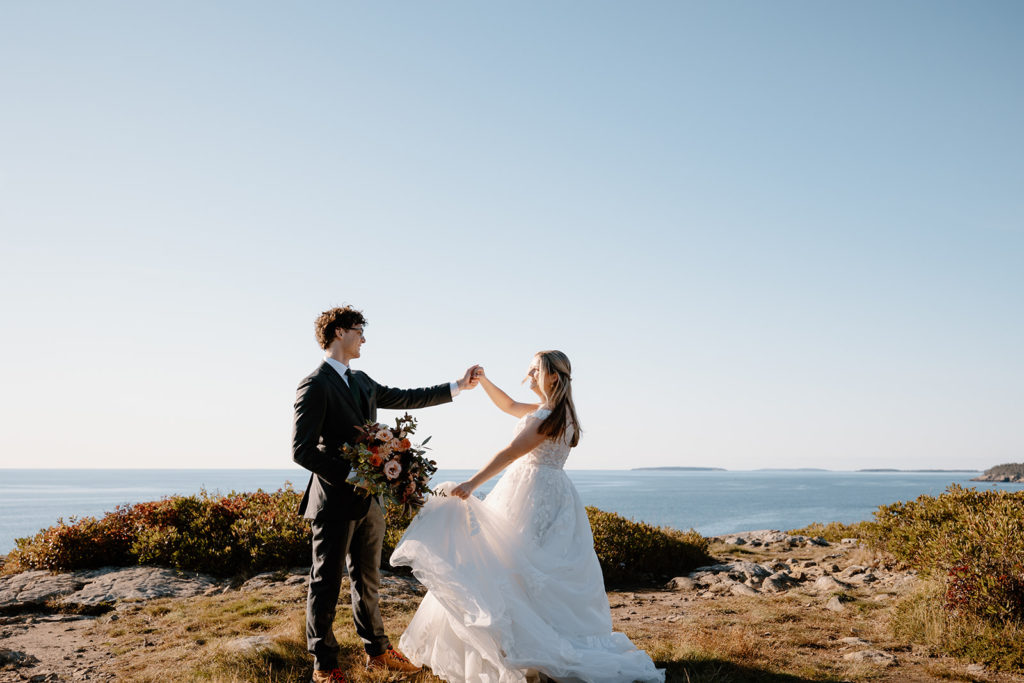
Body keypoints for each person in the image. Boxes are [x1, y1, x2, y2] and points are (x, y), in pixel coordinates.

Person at [392, 350, 665, 683]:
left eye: (536, 369)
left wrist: (471, 483)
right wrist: (484, 381)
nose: (529, 373)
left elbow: (511, 452)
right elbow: (508, 406)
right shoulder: (549, 411)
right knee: (516, 565)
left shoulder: (550, 415)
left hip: (533, 495)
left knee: (514, 564)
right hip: (545, 492)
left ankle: (526, 647)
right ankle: (520, 642)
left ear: (553, 376)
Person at [291, 305, 480, 683]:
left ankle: (377, 652)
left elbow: (406, 397)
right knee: (326, 582)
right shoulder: (314, 385)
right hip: (333, 500)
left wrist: (458, 386)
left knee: (368, 580)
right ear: (340, 331)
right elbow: (302, 450)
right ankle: (324, 665)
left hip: (369, 501)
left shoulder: (361, 380)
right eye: (360, 329)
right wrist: (352, 473)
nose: (364, 337)